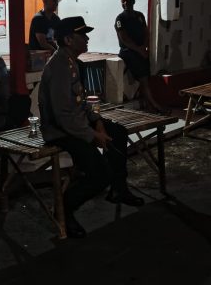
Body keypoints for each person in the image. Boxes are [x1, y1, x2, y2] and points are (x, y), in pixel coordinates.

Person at [39, 16, 144, 239]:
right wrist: (93, 135)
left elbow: (81, 102)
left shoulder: (72, 62)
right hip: (60, 131)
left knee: (118, 132)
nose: (87, 39)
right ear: (68, 40)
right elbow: (63, 115)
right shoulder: (59, 67)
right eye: (82, 35)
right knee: (100, 173)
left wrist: (97, 121)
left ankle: (119, 189)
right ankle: (64, 209)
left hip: (76, 124)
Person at [114, 0, 166, 112]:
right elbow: (124, 39)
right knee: (143, 79)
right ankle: (155, 105)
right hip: (128, 52)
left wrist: (145, 47)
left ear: (133, 1)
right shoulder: (120, 18)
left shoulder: (139, 16)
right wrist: (139, 50)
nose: (125, 3)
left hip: (140, 51)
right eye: (123, 1)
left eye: (128, 0)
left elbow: (146, 32)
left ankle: (149, 105)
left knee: (147, 77)